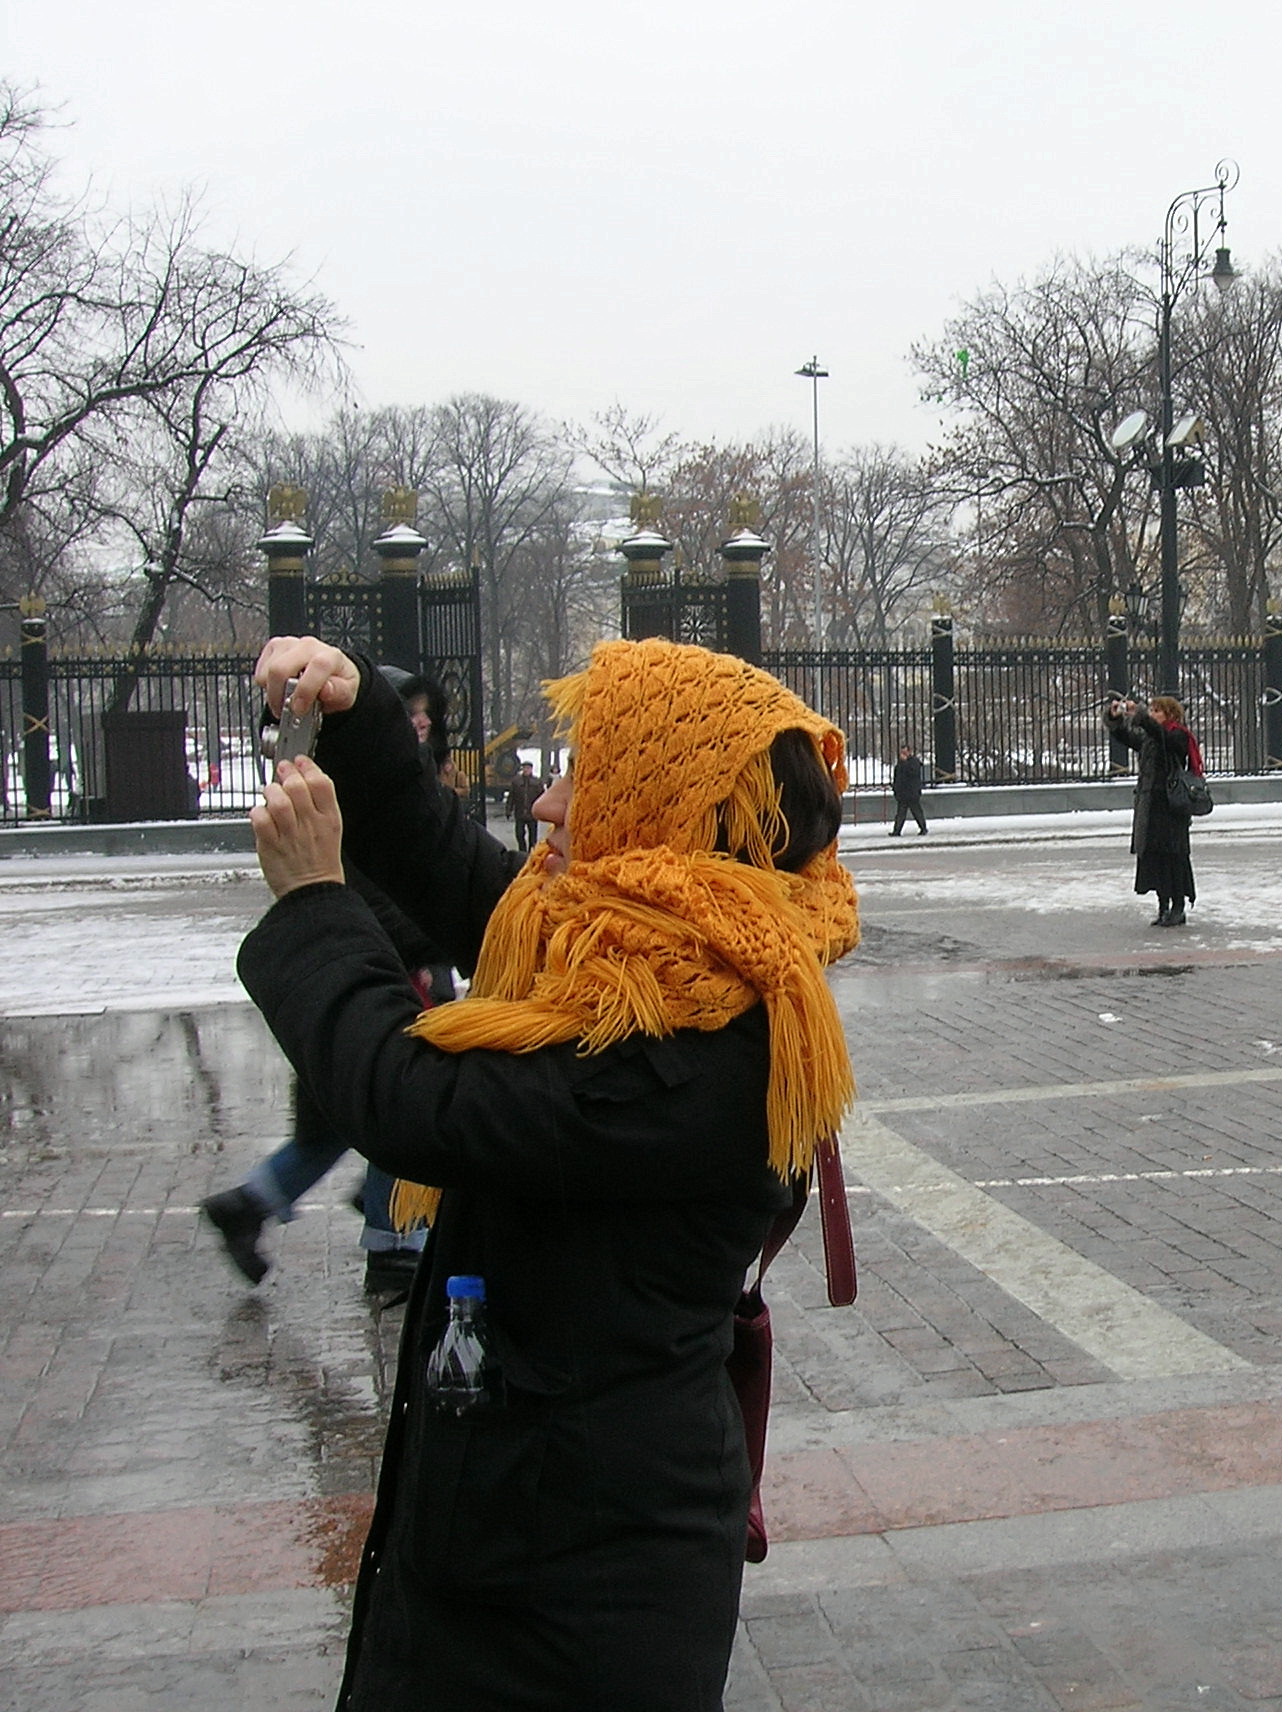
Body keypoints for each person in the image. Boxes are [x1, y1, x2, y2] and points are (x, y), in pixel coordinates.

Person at [237, 634, 859, 1709]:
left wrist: (313, 907)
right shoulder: (636, 951)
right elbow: (453, 869)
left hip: (576, 1604)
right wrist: (355, 714)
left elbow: (413, 1100)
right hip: (529, 1540)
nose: (547, 805)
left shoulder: (703, 1044)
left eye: (587, 777)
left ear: (667, 813)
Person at [201, 670, 459, 1297]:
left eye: (425, 713)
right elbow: (371, 894)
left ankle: (252, 1202)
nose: (420, 722)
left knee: (339, 1121)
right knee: (398, 1101)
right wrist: (425, 948)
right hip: (386, 973)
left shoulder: (411, 788)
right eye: (407, 713)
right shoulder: (355, 801)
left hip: (375, 973)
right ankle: (393, 1241)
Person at [1105, 694, 1200, 926]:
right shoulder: (1151, 737)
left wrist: (1139, 714)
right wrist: (1115, 718)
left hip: (1171, 807)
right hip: (1151, 806)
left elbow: (1162, 738)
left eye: (1157, 711)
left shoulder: (1177, 735)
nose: (1152, 714)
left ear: (1170, 714)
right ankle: (1163, 905)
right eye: (1152, 710)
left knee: (1173, 857)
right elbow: (1127, 737)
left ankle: (1178, 907)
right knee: (1155, 856)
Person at [506, 760, 543, 852]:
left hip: (532, 813)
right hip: (520, 812)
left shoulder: (537, 782)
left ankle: (531, 851)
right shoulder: (516, 782)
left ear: (531, 769)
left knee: (533, 836)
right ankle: (522, 850)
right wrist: (508, 810)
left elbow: (542, 797)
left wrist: (541, 811)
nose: (526, 770)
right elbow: (511, 797)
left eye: (528, 768)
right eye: (524, 768)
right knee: (519, 834)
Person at [890, 743, 927, 836]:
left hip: (912, 792)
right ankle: (897, 830)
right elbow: (897, 777)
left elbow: (913, 773)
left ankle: (923, 828)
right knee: (900, 813)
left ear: (909, 752)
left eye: (905, 752)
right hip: (902, 793)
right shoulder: (900, 764)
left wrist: (904, 763)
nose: (903, 755)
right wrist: (895, 789)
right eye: (902, 752)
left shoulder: (913, 762)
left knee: (916, 812)